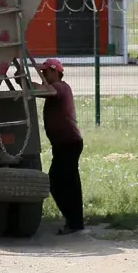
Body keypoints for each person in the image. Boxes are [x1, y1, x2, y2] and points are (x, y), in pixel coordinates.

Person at [38, 58, 84, 234]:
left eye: (45, 72)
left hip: (68, 143)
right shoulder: (55, 88)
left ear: (55, 71)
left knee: (57, 182)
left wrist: (26, 83)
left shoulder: (60, 87)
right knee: (70, 184)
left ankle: (73, 221)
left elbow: (45, 91)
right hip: (64, 144)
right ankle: (75, 222)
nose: (43, 74)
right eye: (42, 72)